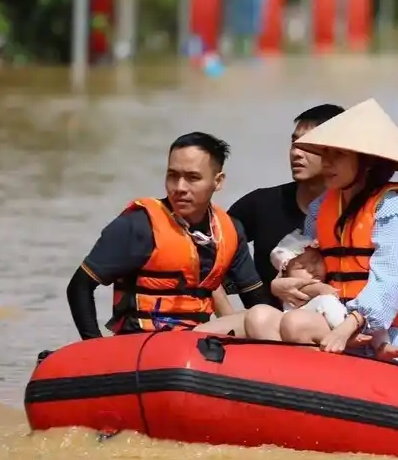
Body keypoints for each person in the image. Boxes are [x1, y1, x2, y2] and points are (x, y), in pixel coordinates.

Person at [242, 99, 398, 369]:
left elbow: (391, 282)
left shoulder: (395, 206)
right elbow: (306, 262)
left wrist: (349, 326)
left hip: (383, 331)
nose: (326, 163)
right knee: (258, 316)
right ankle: (288, 389)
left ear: (367, 161)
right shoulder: (321, 207)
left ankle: (331, 380)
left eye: (337, 155)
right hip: (328, 312)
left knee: (296, 324)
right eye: (324, 154)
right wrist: (281, 284)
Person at [66, 132, 264, 339]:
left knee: (263, 317)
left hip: (196, 343)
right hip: (141, 343)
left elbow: (257, 301)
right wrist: (95, 347)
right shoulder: (139, 225)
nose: (179, 188)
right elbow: (80, 286)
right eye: (172, 175)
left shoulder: (230, 230)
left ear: (218, 181)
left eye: (192, 178)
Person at [227, 103, 345, 305]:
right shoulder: (260, 204)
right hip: (262, 325)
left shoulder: (359, 213)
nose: (296, 153)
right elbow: (208, 256)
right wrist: (241, 300)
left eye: (308, 145)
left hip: (338, 325)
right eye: (294, 143)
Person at [269, 231, 392, 356]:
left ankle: (383, 345)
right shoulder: (292, 288)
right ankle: (349, 334)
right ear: (286, 275)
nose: (311, 268)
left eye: (315, 260)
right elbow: (316, 293)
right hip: (304, 320)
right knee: (326, 300)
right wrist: (320, 288)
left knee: (371, 312)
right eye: (301, 267)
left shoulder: (330, 279)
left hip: (335, 323)